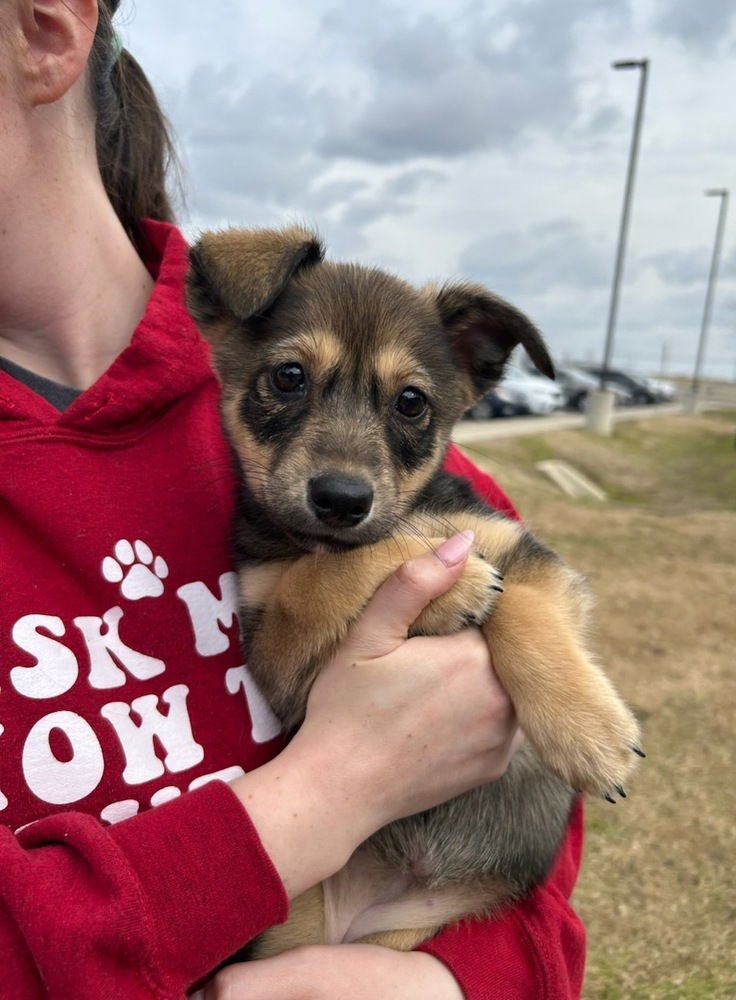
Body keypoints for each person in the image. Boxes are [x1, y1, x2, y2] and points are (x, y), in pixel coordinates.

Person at [0, 2, 585, 997]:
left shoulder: (286, 343)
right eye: (286, 386)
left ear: (43, 28)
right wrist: (326, 793)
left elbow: (534, 873)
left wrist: (441, 985)